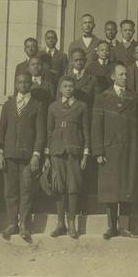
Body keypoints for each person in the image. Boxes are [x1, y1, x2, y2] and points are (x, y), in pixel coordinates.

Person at [92, 64, 138, 239]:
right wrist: (98, 151)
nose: (125, 77)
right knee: (110, 189)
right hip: (109, 149)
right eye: (121, 74)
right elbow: (96, 126)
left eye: (126, 74)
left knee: (128, 187)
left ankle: (124, 227)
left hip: (130, 149)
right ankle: (111, 227)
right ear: (113, 77)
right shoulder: (102, 97)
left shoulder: (135, 97)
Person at [0, 72, 46, 244]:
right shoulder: (8, 105)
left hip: (27, 157)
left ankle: (24, 224)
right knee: (10, 191)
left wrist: (36, 155)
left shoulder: (37, 105)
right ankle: (12, 224)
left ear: (31, 84)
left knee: (26, 190)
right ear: (16, 84)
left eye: (26, 82)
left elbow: (40, 134)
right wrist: (0, 153)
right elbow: (1, 131)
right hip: (9, 155)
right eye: (19, 82)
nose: (23, 85)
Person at [44, 76, 90, 239]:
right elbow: (48, 132)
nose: (69, 89)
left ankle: (72, 223)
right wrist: (47, 155)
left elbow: (86, 131)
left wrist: (85, 153)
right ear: (60, 89)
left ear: (75, 88)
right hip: (57, 152)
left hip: (74, 152)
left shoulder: (82, 106)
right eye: (65, 86)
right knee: (59, 187)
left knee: (73, 188)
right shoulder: (53, 107)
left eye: (71, 86)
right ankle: (60, 223)